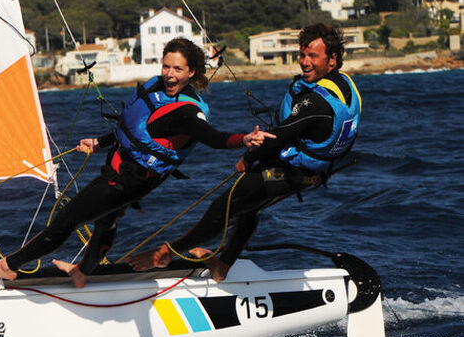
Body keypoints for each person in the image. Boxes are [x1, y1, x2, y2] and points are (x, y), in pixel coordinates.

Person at [0, 37, 273, 288]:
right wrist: (100, 142)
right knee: (107, 220)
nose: (169, 74)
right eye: (166, 66)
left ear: (191, 72)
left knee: (66, 221)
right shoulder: (158, 92)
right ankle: (83, 272)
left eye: (178, 69)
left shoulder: (187, 112)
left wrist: (243, 140)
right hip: (125, 174)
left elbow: (213, 137)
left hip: (126, 180)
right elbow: (136, 127)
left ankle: (9, 266)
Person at [127, 23, 361, 281]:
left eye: (312, 56)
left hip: (292, 172)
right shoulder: (343, 85)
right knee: (249, 206)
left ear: (332, 59)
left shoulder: (315, 103)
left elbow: (274, 139)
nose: (304, 62)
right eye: (302, 55)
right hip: (312, 172)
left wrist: (247, 158)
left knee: (224, 206)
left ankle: (165, 253)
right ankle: (222, 265)